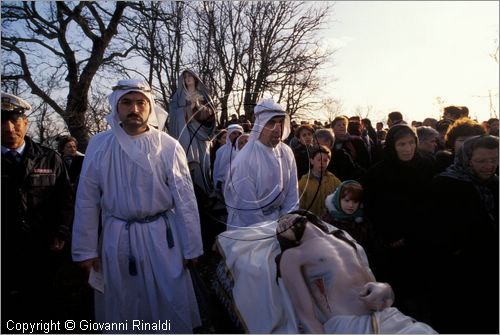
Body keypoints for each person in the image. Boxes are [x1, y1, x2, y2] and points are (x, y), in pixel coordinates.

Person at [71, 79, 203, 333]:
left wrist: (192, 247)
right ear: (116, 107)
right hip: (118, 238)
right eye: (127, 102)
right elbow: (87, 198)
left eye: (140, 102)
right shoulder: (100, 145)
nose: (134, 108)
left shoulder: (168, 146)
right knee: (124, 303)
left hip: (163, 240)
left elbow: (185, 200)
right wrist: (85, 250)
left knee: (169, 299)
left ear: (150, 107)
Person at [276, 210, 436, 334]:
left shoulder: (343, 239)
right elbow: (307, 317)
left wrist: (385, 289)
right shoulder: (293, 256)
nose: (283, 221)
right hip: (350, 325)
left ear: (305, 216)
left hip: (386, 316)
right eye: (280, 224)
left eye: (287, 218)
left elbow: (379, 287)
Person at [1, 92, 74, 325]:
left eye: (14, 120)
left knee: (44, 307)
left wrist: (61, 232)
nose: (8, 127)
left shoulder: (50, 159)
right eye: (1, 121)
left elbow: (66, 199)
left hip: (43, 249)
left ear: (26, 122)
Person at [423, 135, 499, 333]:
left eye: (494, 160)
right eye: (481, 161)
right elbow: (432, 232)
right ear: (467, 159)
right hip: (457, 276)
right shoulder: (445, 185)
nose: (489, 166)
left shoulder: (495, 185)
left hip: (491, 274)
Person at [361, 124, 436, 322]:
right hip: (395, 245)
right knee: (401, 294)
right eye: (401, 144)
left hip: (423, 240)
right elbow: (373, 208)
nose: (407, 148)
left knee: (424, 293)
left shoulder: (427, 165)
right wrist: (390, 236)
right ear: (392, 146)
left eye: (411, 143)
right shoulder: (378, 173)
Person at [223, 98, 299, 230]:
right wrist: (270, 232)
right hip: (248, 228)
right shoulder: (245, 159)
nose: (277, 129)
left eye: (280, 123)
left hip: (281, 223)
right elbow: (247, 208)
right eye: (271, 123)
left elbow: (292, 194)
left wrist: (285, 223)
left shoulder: (286, 152)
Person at [167, 69, 216, 196]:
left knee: (203, 164)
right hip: (185, 132)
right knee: (188, 162)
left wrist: (200, 107)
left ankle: (205, 193)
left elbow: (212, 114)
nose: (188, 78)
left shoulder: (203, 94)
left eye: (190, 76)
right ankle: (188, 193)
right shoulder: (178, 96)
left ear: (195, 78)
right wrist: (189, 108)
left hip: (201, 133)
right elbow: (173, 114)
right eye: (185, 77)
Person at [323, 180, 374, 256]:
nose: (351, 205)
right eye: (347, 200)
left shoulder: (363, 222)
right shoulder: (327, 222)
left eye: (355, 202)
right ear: (338, 199)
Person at [298, 145, 341, 217]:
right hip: (310, 220)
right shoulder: (303, 182)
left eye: (325, 160)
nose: (322, 163)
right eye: (319, 160)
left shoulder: (334, 181)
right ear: (312, 161)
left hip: (331, 221)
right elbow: (299, 205)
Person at [213, 124, 243, 193]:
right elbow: (216, 169)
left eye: (239, 133)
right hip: (226, 186)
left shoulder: (245, 150)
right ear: (229, 135)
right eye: (234, 133)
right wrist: (216, 184)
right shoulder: (221, 151)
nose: (237, 135)